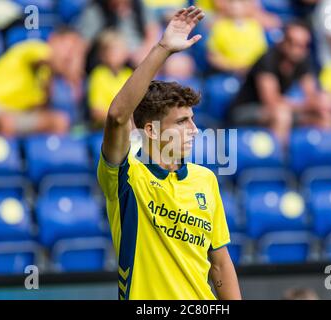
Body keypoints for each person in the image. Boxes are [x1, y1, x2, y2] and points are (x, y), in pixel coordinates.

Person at [98, 6, 241, 300]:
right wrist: (163, 49)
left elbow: (220, 263)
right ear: (150, 130)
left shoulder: (205, 180)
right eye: (181, 122)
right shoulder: (126, 178)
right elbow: (117, 116)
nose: (194, 129)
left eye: (192, 119)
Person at [0, 28, 86, 136]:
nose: (71, 54)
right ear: (54, 39)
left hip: (16, 114)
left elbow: (37, 109)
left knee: (59, 122)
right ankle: (6, 160)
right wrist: (69, 71)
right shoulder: (36, 48)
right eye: (69, 46)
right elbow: (49, 62)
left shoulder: (47, 76)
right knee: (6, 121)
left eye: (76, 50)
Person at [228, 21, 331, 143]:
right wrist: (307, 105)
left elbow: (310, 95)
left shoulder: (303, 62)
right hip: (246, 109)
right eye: (291, 42)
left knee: (325, 118)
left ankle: (322, 156)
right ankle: (279, 159)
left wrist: (320, 104)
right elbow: (271, 100)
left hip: (280, 109)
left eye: (301, 45)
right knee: (282, 115)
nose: (295, 48)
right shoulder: (268, 59)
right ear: (282, 40)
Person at [206, 0, 268, 75]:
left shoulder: (255, 26)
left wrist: (250, 67)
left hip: (252, 73)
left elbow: (262, 52)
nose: (235, 6)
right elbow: (213, 55)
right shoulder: (219, 27)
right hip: (227, 73)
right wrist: (233, 67)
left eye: (240, 2)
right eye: (231, 2)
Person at [88, 30, 133, 128]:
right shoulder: (98, 75)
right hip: (105, 128)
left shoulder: (129, 75)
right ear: (103, 54)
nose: (115, 54)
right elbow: (96, 111)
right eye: (112, 50)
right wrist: (119, 119)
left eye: (119, 49)